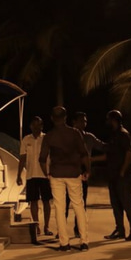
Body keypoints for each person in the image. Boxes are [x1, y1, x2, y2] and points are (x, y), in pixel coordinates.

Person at [39, 106, 91, 251]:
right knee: (79, 206)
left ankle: (64, 243)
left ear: (52, 118)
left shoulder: (49, 136)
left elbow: (42, 159)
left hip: (56, 174)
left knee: (60, 208)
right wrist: (87, 170)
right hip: (74, 173)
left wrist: (46, 174)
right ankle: (84, 241)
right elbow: (84, 153)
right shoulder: (74, 133)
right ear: (65, 117)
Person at [102, 109, 131, 241]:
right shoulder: (114, 135)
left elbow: (129, 153)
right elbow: (109, 154)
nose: (107, 122)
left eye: (109, 119)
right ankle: (120, 230)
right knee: (116, 204)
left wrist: (123, 170)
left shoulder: (123, 134)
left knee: (127, 203)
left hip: (122, 176)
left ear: (113, 120)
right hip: (113, 174)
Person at [67, 111, 105, 236]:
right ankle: (61, 228)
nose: (84, 123)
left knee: (81, 202)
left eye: (85, 121)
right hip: (69, 171)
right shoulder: (67, 135)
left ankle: (78, 228)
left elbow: (103, 146)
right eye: (81, 121)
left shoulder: (89, 137)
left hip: (83, 171)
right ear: (74, 122)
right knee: (65, 202)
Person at [17, 116, 53, 237]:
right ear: (30, 126)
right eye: (34, 125)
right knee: (33, 202)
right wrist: (18, 175)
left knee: (46, 201)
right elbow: (22, 158)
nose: (36, 127)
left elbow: (52, 156)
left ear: (42, 126)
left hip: (45, 175)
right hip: (31, 175)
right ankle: (36, 226)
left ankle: (47, 227)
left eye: (39, 125)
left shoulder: (46, 138)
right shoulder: (26, 139)